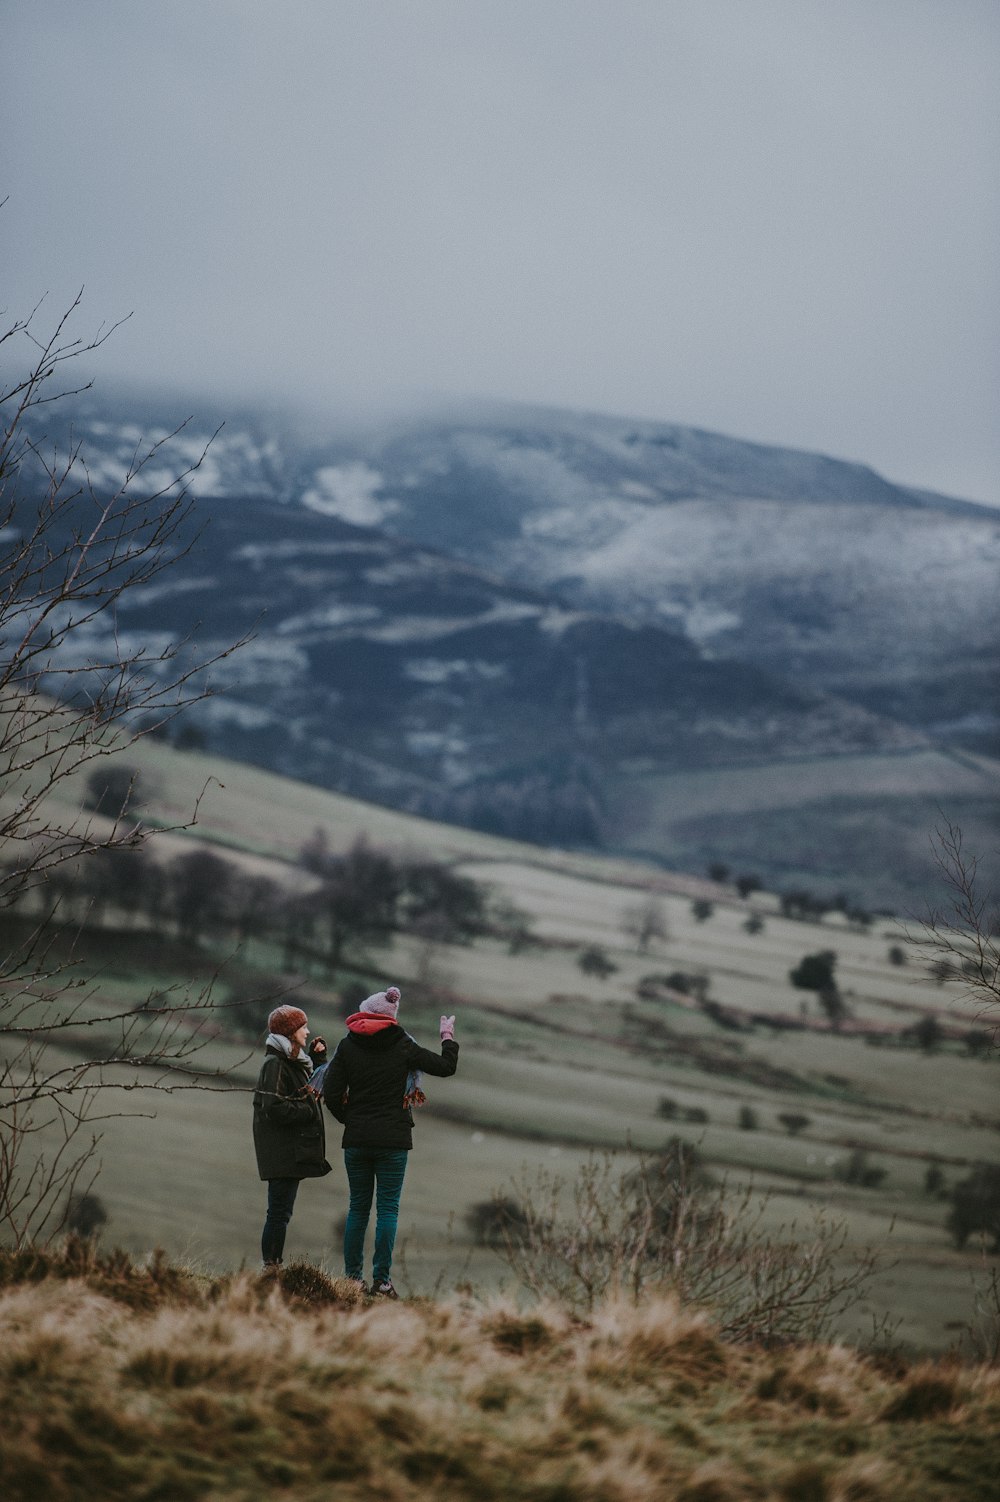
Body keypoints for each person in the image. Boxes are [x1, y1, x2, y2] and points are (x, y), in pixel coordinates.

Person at [323, 985, 458, 1297]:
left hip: (357, 1139)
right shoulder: (403, 1045)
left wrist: (350, 1119)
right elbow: (446, 1067)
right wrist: (447, 1036)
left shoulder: (347, 1045)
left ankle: (352, 1280)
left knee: (358, 1207)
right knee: (387, 1210)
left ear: (365, 1014)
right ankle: (382, 1282)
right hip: (393, 1141)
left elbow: (331, 1093)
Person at [253, 1004, 331, 1267]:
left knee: (281, 1212)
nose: (308, 1032)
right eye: (303, 1027)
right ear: (290, 1032)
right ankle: (271, 1269)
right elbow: (273, 1106)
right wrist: (307, 1112)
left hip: (287, 1150)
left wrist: (318, 1062)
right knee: (279, 1213)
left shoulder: (292, 1061)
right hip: (281, 1151)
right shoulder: (275, 1063)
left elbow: (309, 1089)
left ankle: (272, 1267)